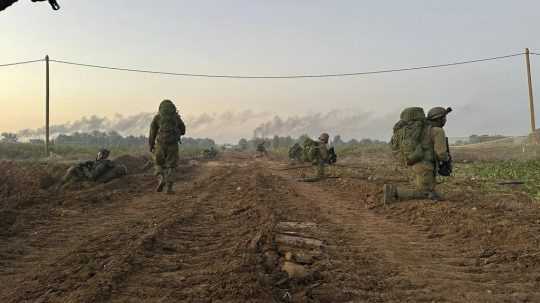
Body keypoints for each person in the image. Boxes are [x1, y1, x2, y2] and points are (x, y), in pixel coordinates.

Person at [384, 107, 452, 203]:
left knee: (430, 190)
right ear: (440, 119)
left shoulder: (421, 130)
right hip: (425, 167)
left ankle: (429, 191)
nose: (445, 120)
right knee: (426, 193)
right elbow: (441, 153)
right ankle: (394, 192)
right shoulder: (437, 131)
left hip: (414, 164)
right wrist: (447, 159)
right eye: (444, 118)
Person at [149, 99, 186, 194]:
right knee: (171, 166)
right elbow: (183, 130)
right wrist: (177, 133)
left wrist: (151, 145)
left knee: (158, 164)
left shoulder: (157, 118)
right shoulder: (176, 118)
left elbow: (152, 133)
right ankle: (169, 188)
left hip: (160, 144)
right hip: (173, 145)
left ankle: (161, 178)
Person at [61, 148, 127, 186]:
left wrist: (85, 168)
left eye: (99, 154)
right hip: (88, 176)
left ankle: (62, 183)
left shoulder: (103, 164)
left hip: (90, 180)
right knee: (75, 168)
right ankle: (63, 183)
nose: (97, 155)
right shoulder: (101, 162)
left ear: (102, 156)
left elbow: (92, 176)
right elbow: (94, 166)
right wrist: (90, 163)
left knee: (73, 169)